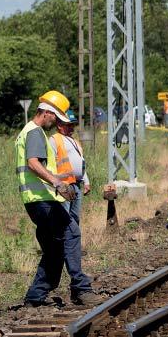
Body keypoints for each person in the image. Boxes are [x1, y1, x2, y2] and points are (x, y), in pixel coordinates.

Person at [16, 90, 77, 307]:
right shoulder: (35, 133)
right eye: (56, 118)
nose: (56, 123)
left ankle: (38, 294)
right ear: (48, 114)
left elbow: (39, 167)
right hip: (42, 200)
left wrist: (60, 179)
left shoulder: (29, 131)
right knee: (63, 240)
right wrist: (57, 183)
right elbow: (33, 163)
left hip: (38, 199)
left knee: (55, 246)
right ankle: (41, 292)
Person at [50, 110, 101, 305]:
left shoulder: (74, 141)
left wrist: (85, 180)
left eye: (72, 124)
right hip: (64, 188)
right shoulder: (55, 140)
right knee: (68, 227)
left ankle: (71, 253)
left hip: (75, 186)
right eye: (68, 124)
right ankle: (69, 257)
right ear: (60, 124)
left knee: (74, 224)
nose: (71, 127)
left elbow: (81, 163)